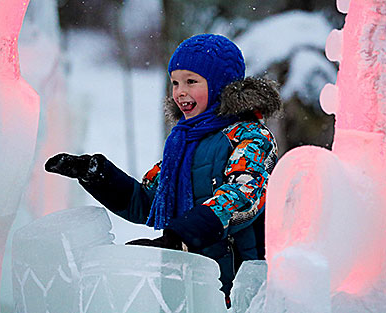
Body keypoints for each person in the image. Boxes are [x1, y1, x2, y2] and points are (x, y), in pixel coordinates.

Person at [45, 33, 281, 308]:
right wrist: (97, 174)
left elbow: (244, 193)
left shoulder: (250, 136)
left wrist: (179, 237)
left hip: (238, 287)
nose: (180, 92)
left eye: (191, 81)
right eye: (175, 82)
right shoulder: (183, 142)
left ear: (222, 86)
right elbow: (148, 202)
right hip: (186, 283)